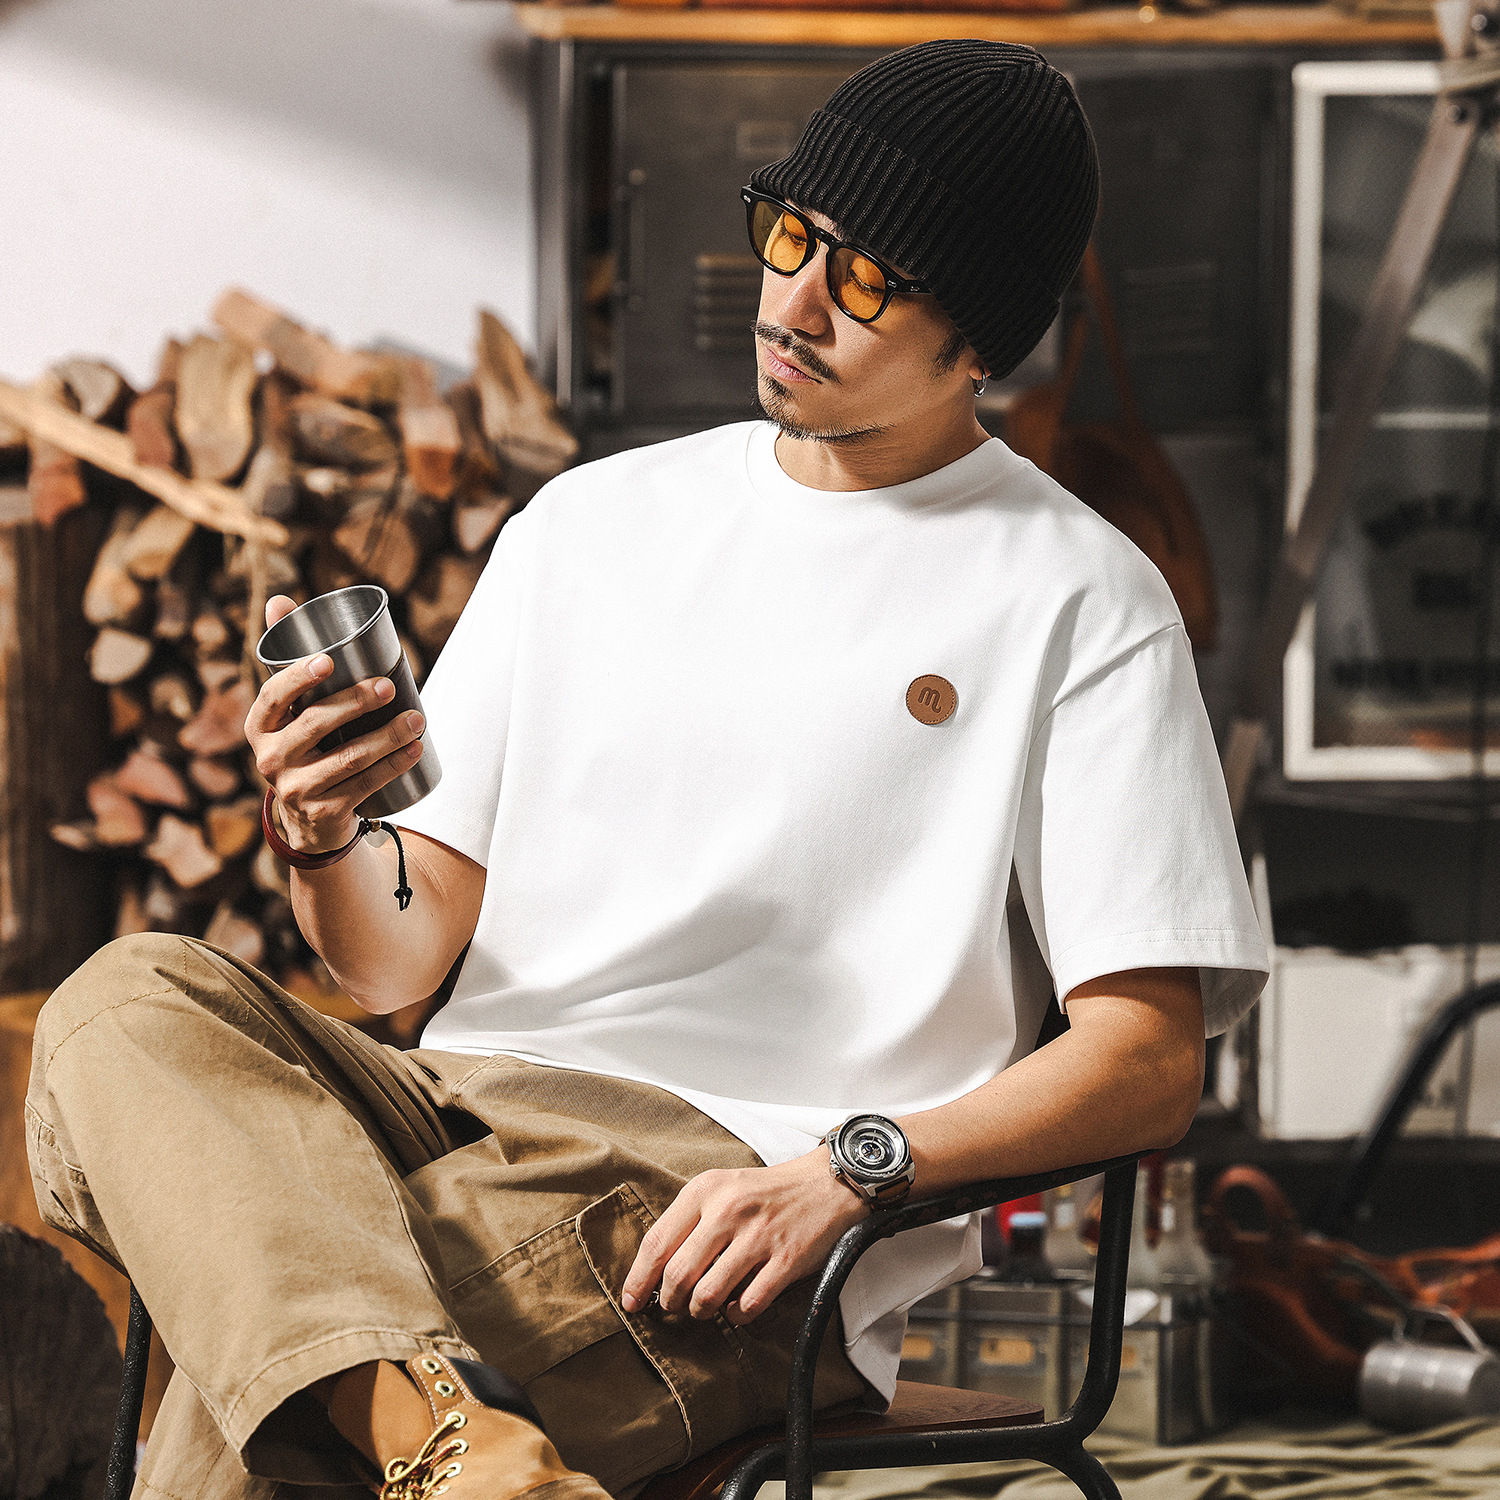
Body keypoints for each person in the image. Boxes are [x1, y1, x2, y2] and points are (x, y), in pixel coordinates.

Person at [28, 39, 1268, 1500]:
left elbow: (1146, 1060)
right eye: (792, 237)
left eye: (869, 279)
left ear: (983, 337)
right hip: (450, 1110)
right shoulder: (587, 524)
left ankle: (431, 1439)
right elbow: (395, 961)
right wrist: (317, 834)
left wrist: (849, 1169)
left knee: (265, 1323)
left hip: (713, 1207)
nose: (795, 303)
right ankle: (451, 1453)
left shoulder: (1080, 596)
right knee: (124, 998)